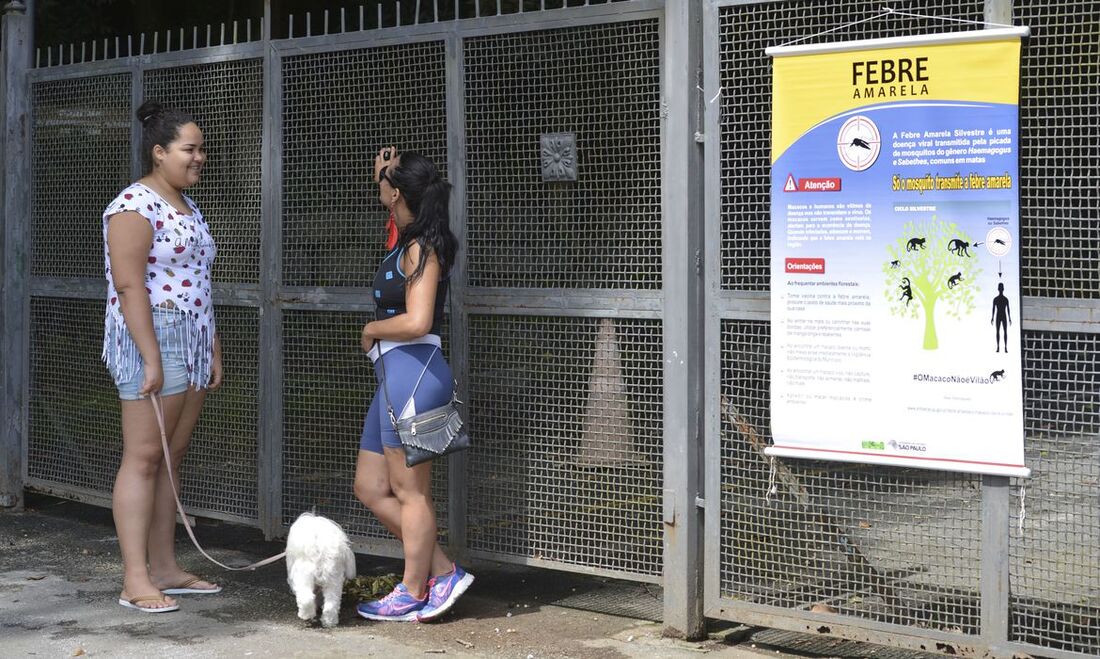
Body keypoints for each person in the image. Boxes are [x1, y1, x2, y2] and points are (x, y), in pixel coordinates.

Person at [102, 100, 222, 613]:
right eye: (189, 149)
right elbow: (130, 287)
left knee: (171, 461)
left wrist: (213, 346)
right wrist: (151, 358)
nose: (199, 157)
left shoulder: (186, 206)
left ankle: (167, 567)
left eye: (201, 149)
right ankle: (135, 578)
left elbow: (199, 280)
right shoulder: (134, 205)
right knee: (144, 458)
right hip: (154, 336)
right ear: (159, 152)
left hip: (193, 338)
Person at [353, 146, 473, 622]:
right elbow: (395, 203)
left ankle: (412, 588)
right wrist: (385, 170)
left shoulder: (423, 247)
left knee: (411, 493)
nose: (377, 186)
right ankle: (442, 572)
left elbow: (418, 319)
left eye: (382, 183)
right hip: (394, 377)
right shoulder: (406, 239)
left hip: (414, 374)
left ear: (398, 193)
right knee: (369, 486)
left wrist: (371, 330)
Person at [991, 282, 1011, 353]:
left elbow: (1008, 309)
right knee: (998, 331)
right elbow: (993, 309)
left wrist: (1009, 318)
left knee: (1005, 331)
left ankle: (1005, 347)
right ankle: (998, 347)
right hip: (999, 315)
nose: (1001, 289)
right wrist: (992, 317)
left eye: (1001, 288)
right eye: (1000, 288)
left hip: (1003, 315)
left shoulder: (1005, 299)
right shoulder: (996, 299)